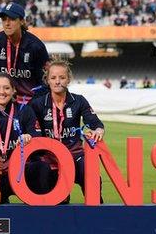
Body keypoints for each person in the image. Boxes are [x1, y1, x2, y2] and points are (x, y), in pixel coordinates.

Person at [23, 58, 105, 202]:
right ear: (47, 80)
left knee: (92, 178)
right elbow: (30, 129)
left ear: (68, 80)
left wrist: (98, 129)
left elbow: (94, 122)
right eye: (53, 78)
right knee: (58, 201)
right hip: (49, 159)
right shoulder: (37, 104)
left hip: (75, 156)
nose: (57, 81)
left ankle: (98, 216)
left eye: (62, 77)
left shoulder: (79, 101)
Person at [0, 72, 51, 203]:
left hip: (20, 170)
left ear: (13, 90)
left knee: (42, 167)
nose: (2, 92)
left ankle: (40, 213)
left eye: (6, 88)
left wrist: (30, 137)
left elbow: (38, 137)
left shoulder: (25, 110)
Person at [0, 2, 50, 104]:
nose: (7, 23)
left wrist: (34, 104)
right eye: (4, 19)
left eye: (11, 19)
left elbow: (45, 81)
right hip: (4, 100)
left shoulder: (36, 46)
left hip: (30, 102)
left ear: (21, 21)